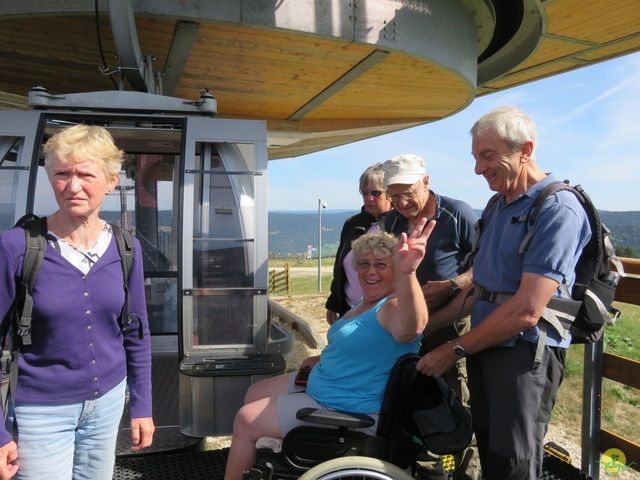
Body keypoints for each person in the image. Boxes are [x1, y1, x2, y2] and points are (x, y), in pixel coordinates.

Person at [417, 106, 591, 480]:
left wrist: (454, 349)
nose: (478, 168)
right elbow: (482, 288)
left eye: (488, 156)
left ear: (525, 150)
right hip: (486, 345)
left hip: (525, 352)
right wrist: (426, 327)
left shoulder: (557, 207)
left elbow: (527, 310)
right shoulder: (498, 205)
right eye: (476, 157)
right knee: (490, 447)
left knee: (515, 459)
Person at [223, 218, 436, 480]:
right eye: (364, 264)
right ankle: (259, 455)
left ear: (396, 270)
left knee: (245, 420)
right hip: (330, 383)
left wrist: (409, 273)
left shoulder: (392, 307)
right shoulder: (366, 301)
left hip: (345, 406)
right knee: (255, 392)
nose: (371, 272)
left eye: (382, 265)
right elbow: (360, 344)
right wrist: (322, 357)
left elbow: (411, 328)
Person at [0, 124, 155, 480]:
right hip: (40, 411)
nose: (73, 186)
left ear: (111, 181)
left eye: (85, 174)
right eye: (61, 174)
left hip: (108, 405)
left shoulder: (125, 247)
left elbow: (136, 331)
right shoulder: (16, 247)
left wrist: (142, 406)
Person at [382, 153, 480, 480]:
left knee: (456, 401)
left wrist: (452, 284)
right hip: (408, 328)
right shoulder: (392, 221)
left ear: (426, 181)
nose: (401, 202)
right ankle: (427, 472)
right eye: (393, 196)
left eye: (408, 192)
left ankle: (464, 473)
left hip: (452, 323)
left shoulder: (458, 214)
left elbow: (485, 267)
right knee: (415, 396)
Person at [325, 163, 393, 324]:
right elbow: (340, 266)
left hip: (384, 312)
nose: (369, 198)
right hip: (349, 309)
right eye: (364, 192)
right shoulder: (352, 223)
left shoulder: (398, 225)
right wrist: (334, 302)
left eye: (376, 193)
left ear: (389, 193)